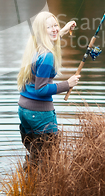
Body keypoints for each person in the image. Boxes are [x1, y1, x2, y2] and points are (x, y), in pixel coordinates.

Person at [17, 11, 80, 165]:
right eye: (49, 27)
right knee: (49, 159)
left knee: (35, 155)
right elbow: (41, 89)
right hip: (40, 113)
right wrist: (67, 84)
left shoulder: (34, 46)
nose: (54, 29)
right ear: (41, 31)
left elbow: (51, 39)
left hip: (24, 110)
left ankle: (28, 185)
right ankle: (42, 187)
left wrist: (63, 30)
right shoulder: (48, 56)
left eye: (55, 25)